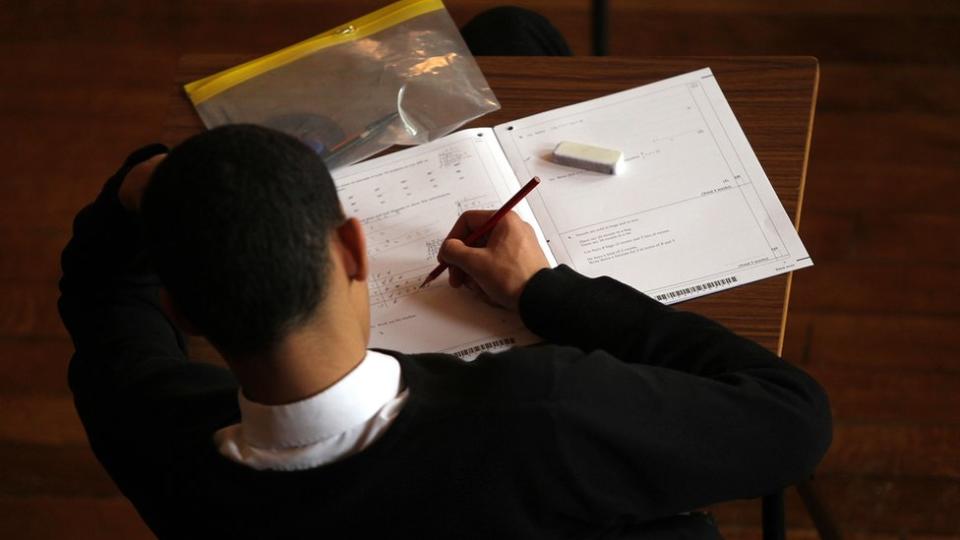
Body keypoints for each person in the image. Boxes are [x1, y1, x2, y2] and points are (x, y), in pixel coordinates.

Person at [59, 9, 830, 539]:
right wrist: (544, 291)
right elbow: (792, 419)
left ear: (184, 314)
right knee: (516, 30)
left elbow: (97, 299)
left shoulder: (150, 431)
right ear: (355, 250)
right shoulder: (542, 415)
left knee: (504, 35)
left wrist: (140, 185)